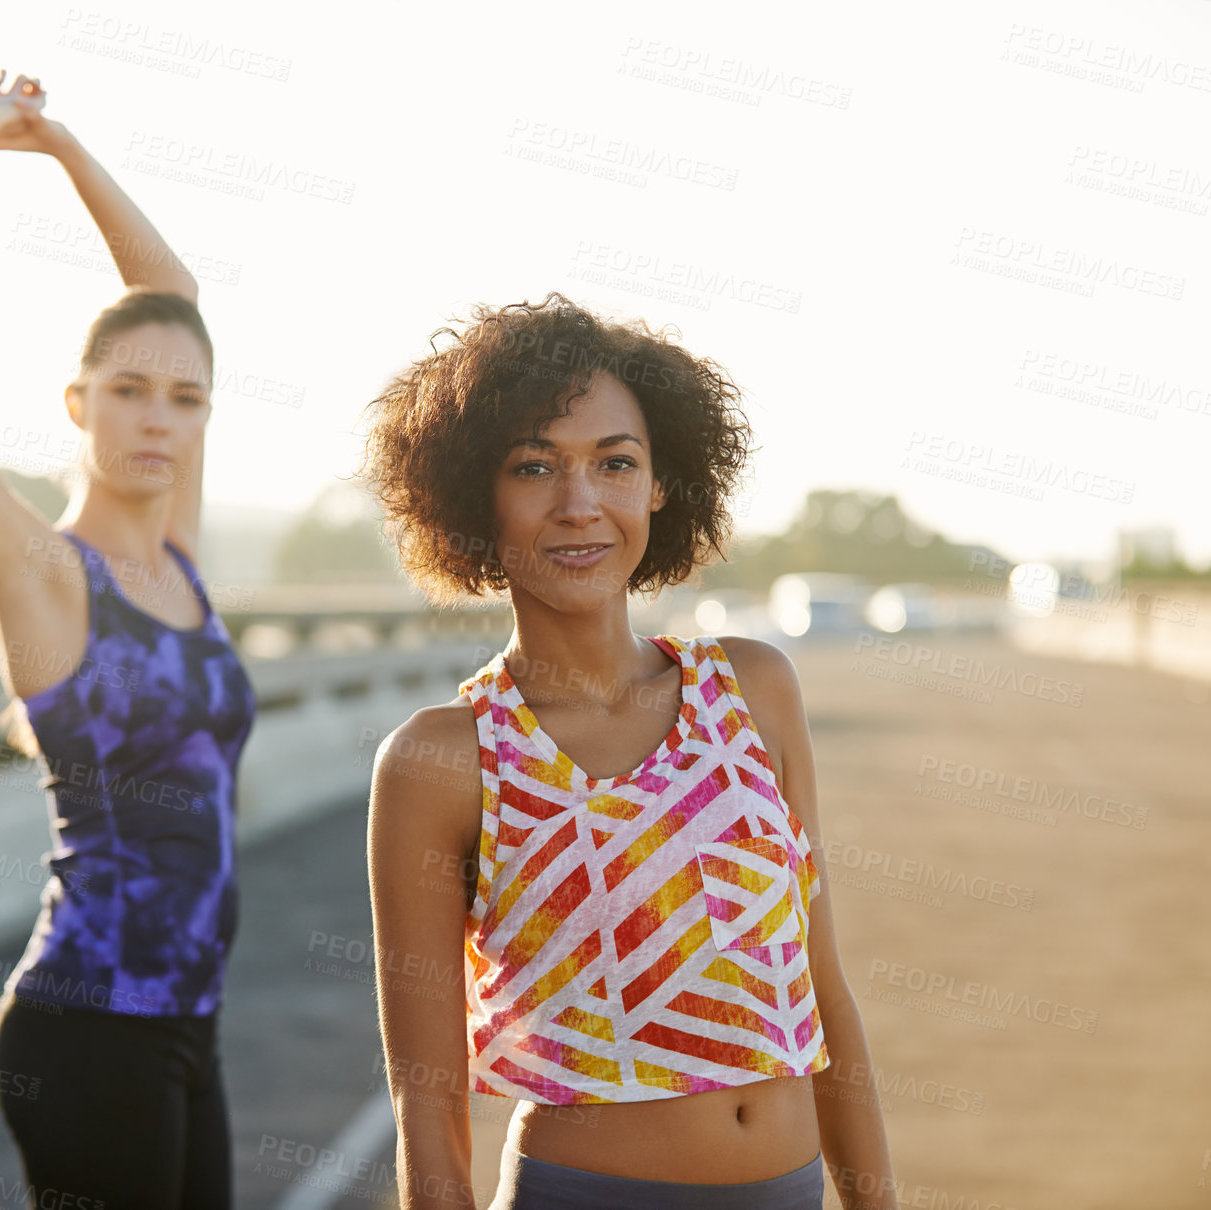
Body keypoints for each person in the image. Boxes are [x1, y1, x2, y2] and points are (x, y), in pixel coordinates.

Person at [359, 294, 898, 1209]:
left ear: (660, 486)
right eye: (535, 466)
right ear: (474, 497)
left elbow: (825, 995)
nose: (580, 504)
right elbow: (427, 1096)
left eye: (616, 463)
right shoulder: (443, 760)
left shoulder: (755, 690)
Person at [0, 70, 253, 1210]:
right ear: (78, 406)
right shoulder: (46, 576)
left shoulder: (175, 551)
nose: (158, 418)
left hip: (194, 1021)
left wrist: (68, 144)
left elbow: (169, 291)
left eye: (186, 399)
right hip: (86, 1028)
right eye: (128, 391)